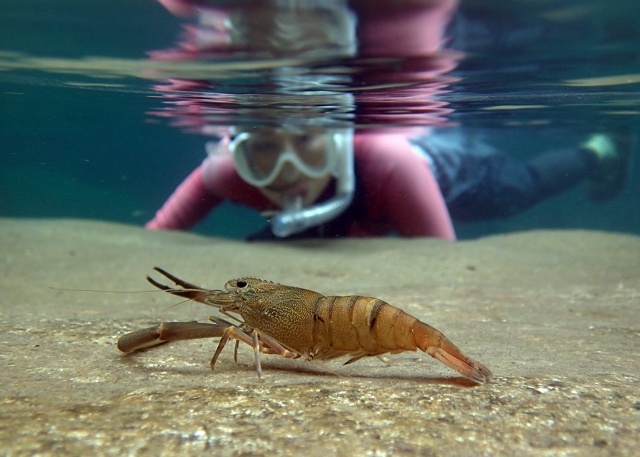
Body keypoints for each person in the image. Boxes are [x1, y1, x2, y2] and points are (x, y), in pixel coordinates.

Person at [145, 126, 631, 240]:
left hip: (444, 179)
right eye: (263, 150)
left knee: (517, 192)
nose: (287, 170)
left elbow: (439, 261)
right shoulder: (223, 172)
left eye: (307, 139)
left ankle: (598, 149)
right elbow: (153, 238)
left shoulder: (388, 161)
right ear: (238, 151)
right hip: (363, 215)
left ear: (335, 133)